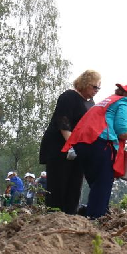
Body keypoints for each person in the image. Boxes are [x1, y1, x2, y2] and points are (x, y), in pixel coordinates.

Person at [62, 83, 127, 219]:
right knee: (103, 183)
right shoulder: (125, 101)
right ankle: (95, 220)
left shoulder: (107, 101)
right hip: (100, 143)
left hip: (82, 144)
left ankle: (88, 214)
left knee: (95, 183)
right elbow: (121, 130)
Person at [39, 70, 100, 214]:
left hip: (78, 150)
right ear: (85, 83)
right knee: (58, 185)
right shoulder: (69, 96)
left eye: (98, 88)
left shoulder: (91, 104)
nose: (96, 91)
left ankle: (70, 216)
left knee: (74, 186)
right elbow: (63, 122)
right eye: (94, 87)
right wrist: (72, 145)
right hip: (60, 148)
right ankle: (53, 217)